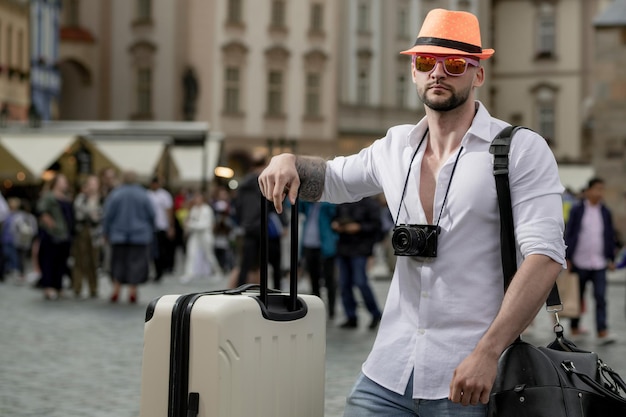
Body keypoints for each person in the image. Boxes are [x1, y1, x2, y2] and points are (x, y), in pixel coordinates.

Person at [258, 9, 566, 416]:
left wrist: (488, 352)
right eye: (426, 62)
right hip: (387, 373)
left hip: (471, 379)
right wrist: (286, 158)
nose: (438, 73)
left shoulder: (520, 150)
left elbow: (544, 258)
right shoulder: (395, 145)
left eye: (454, 64)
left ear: (478, 75)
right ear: (414, 72)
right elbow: (329, 179)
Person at [564, 177, 616, 344]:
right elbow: (570, 233)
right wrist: (568, 257)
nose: (600, 193)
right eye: (597, 189)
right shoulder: (577, 210)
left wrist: (611, 258)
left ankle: (602, 330)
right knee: (577, 296)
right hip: (580, 260)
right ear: (588, 191)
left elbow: (609, 235)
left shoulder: (605, 211)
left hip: (599, 262)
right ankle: (575, 327)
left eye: (602, 189)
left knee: (600, 297)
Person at [232, 153, 284, 290]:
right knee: (271, 264)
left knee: (245, 264)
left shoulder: (243, 185)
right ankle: (273, 292)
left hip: (248, 228)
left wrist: (243, 221)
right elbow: (274, 203)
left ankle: (239, 291)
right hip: (264, 228)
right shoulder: (265, 181)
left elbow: (237, 207)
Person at [102, 171, 155, 303]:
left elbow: (108, 215)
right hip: (140, 235)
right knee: (136, 263)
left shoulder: (115, 194)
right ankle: (132, 290)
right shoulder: (143, 194)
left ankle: (116, 289)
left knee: (118, 263)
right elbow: (152, 214)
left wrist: (106, 232)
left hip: (118, 235)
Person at [332, 198, 383, 329]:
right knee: (344, 285)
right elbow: (334, 219)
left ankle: (375, 314)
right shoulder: (343, 202)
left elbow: (377, 226)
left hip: (360, 249)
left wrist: (359, 227)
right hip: (343, 248)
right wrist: (337, 225)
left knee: (361, 282)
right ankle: (351, 316)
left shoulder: (370, 203)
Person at [36, 173, 75, 300]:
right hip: (52, 235)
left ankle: (58, 286)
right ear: (56, 183)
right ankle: (48, 287)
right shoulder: (48, 196)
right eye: (63, 181)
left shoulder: (66, 197)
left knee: (61, 262)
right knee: (48, 261)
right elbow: (41, 211)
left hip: (65, 235)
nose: (65, 183)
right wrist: (51, 225)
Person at [300, 201, 338, 319]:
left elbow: (334, 214)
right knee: (313, 278)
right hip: (309, 245)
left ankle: (331, 309)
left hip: (325, 246)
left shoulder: (328, 205)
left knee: (329, 278)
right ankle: (316, 307)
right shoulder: (308, 205)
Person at [180, 191, 223, 284]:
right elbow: (190, 221)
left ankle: (218, 272)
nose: (196, 200)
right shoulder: (194, 209)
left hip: (205, 235)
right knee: (191, 253)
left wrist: (190, 225)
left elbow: (205, 224)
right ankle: (189, 274)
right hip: (195, 235)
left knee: (209, 254)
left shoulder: (207, 210)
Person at [71, 175, 103, 299]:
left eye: (94, 183)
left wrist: (93, 215)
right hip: (82, 231)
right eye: (90, 183)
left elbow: (101, 214)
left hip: (95, 233)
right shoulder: (81, 198)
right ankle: (77, 287)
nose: (92, 186)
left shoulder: (101, 198)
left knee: (93, 261)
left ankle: (93, 288)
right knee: (79, 259)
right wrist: (91, 213)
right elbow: (79, 211)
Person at [147, 176, 175, 281]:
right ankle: (154, 270)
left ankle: (161, 270)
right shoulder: (148, 194)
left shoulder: (164, 195)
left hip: (161, 226)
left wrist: (170, 226)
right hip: (150, 227)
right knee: (153, 250)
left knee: (161, 250)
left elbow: (169, 211)